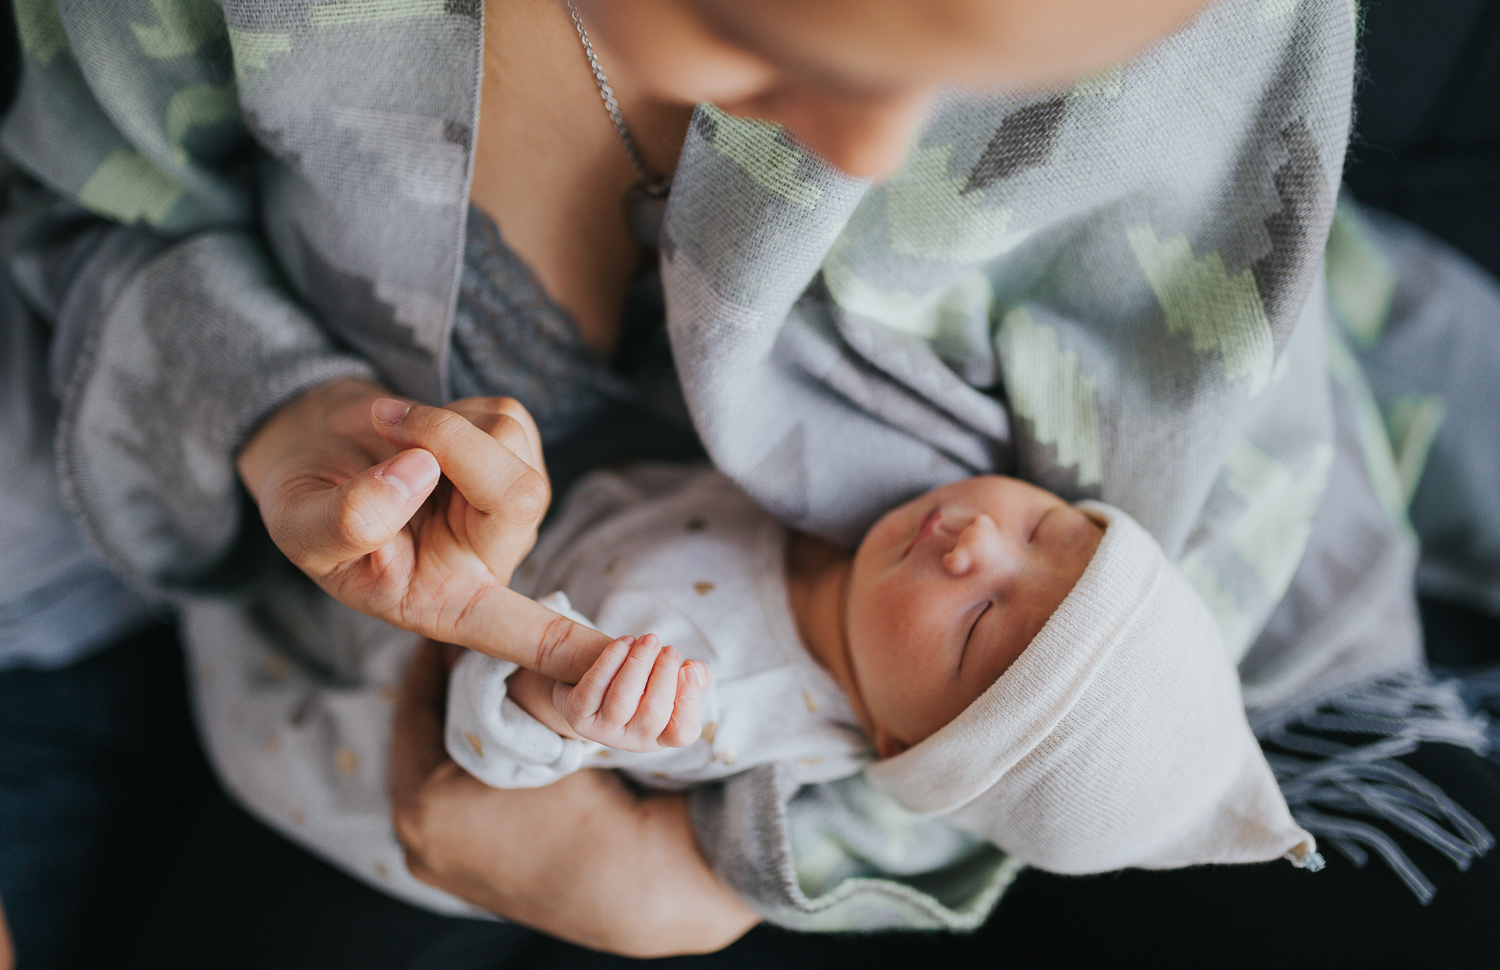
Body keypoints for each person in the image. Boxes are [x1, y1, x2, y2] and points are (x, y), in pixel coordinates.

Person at [3, 0, 1498, 966]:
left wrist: (705, 881)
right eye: (772, 37)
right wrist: (285, 416)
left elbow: (1177, 503)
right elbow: (89, 221)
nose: (860, 158)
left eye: (982, 85)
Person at [449, 462, 1320, 876]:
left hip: (389, 672)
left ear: (897, 741)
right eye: (1042, 529)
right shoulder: (845, 520)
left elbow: (485, 758)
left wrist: (558, 703)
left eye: (979, 623)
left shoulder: (719, 706)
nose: (976, 540)